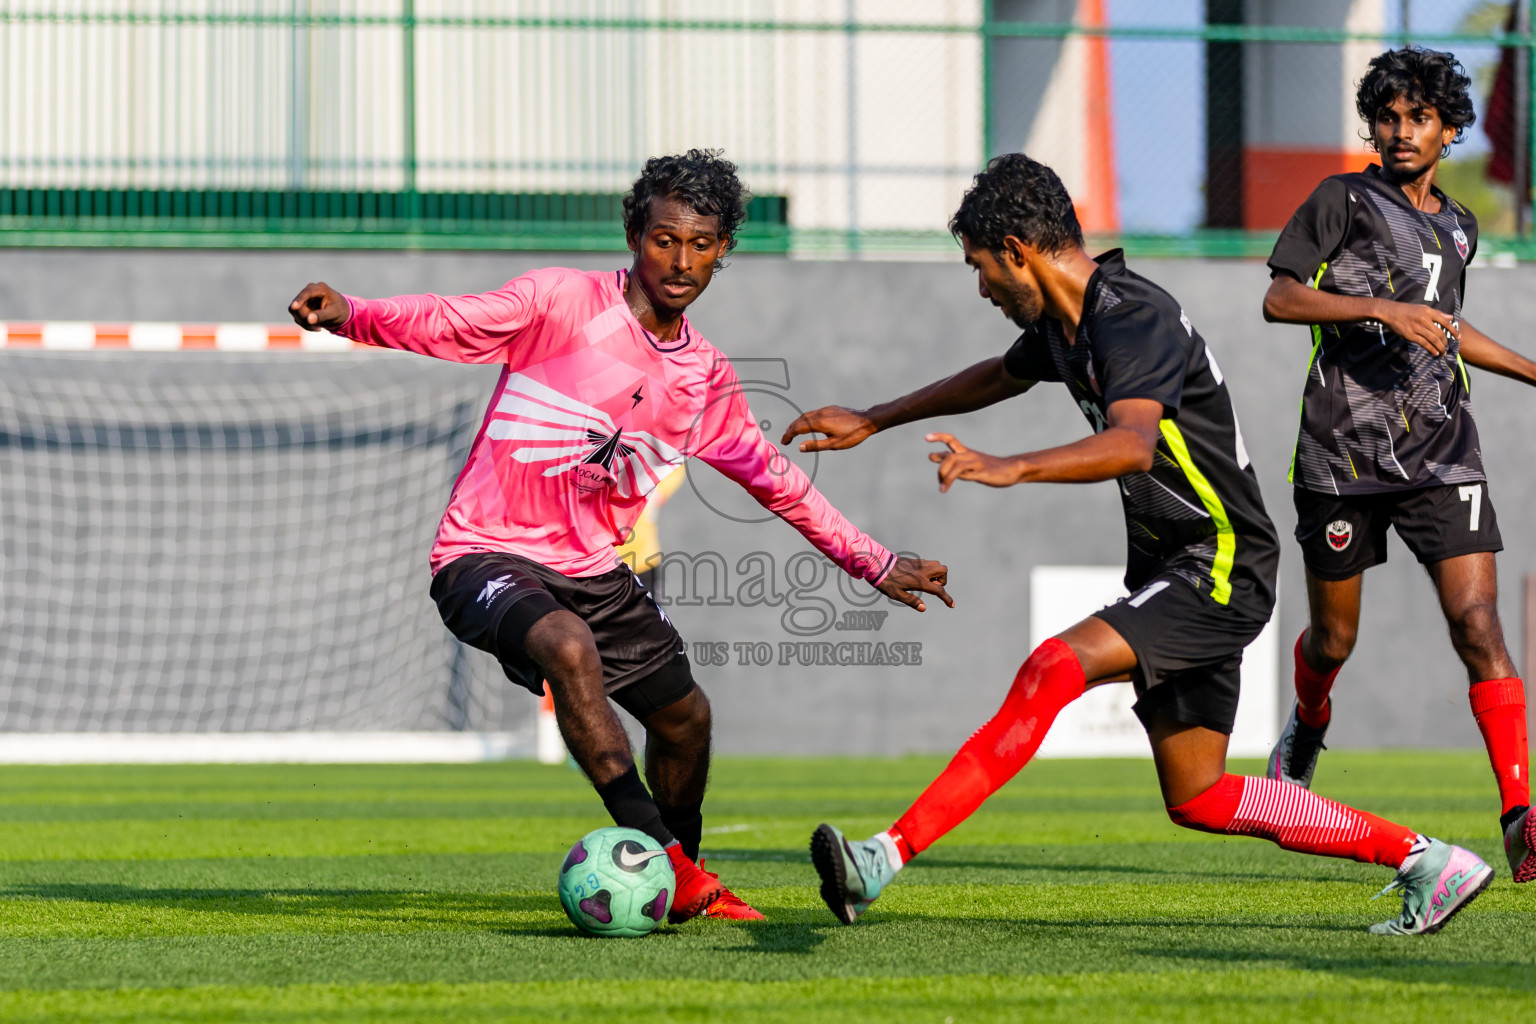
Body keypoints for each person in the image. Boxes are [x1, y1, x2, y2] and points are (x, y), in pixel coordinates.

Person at [784, 153, 1493, 936]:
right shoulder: (1067, 327)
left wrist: (1011, 466)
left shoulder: (1130, 315)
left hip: (1220, 560)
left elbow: (1130, 445)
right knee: (1198, 793)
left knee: (1052, 667)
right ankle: (1429, 860)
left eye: (981, 268)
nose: (981, 288)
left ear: (1018, 251)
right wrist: (875, 417)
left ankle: (881, 859)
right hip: (1183, 562)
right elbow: (998, 375)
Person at [288, 149, 951, 924]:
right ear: (635, 233)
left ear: (723, 251)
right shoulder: (559, 302)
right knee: (568, 647)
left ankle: (686, 883)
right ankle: (661, 856)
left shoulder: (703, 379)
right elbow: (452, 321)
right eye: (665, 239)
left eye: (702, 244)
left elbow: (776, 480)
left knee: (686, 719)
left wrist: (872, 562)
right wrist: (353, 312)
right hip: (484, 553)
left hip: (594, 570)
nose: (682, 260)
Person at [1262, 47, 1533, 883]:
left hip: (1443, 450)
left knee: (1478, 625)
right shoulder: (1341, 198)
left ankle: (1522, 815)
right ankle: (1308, 724)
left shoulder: (1460, 226)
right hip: (1344, 456)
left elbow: (1446, 327)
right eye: (1387, 115)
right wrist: (1378, 306)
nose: (1400, 130)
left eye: (1418, 117)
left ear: (1450, 129)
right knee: (1336, 639)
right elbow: (1279, 297)